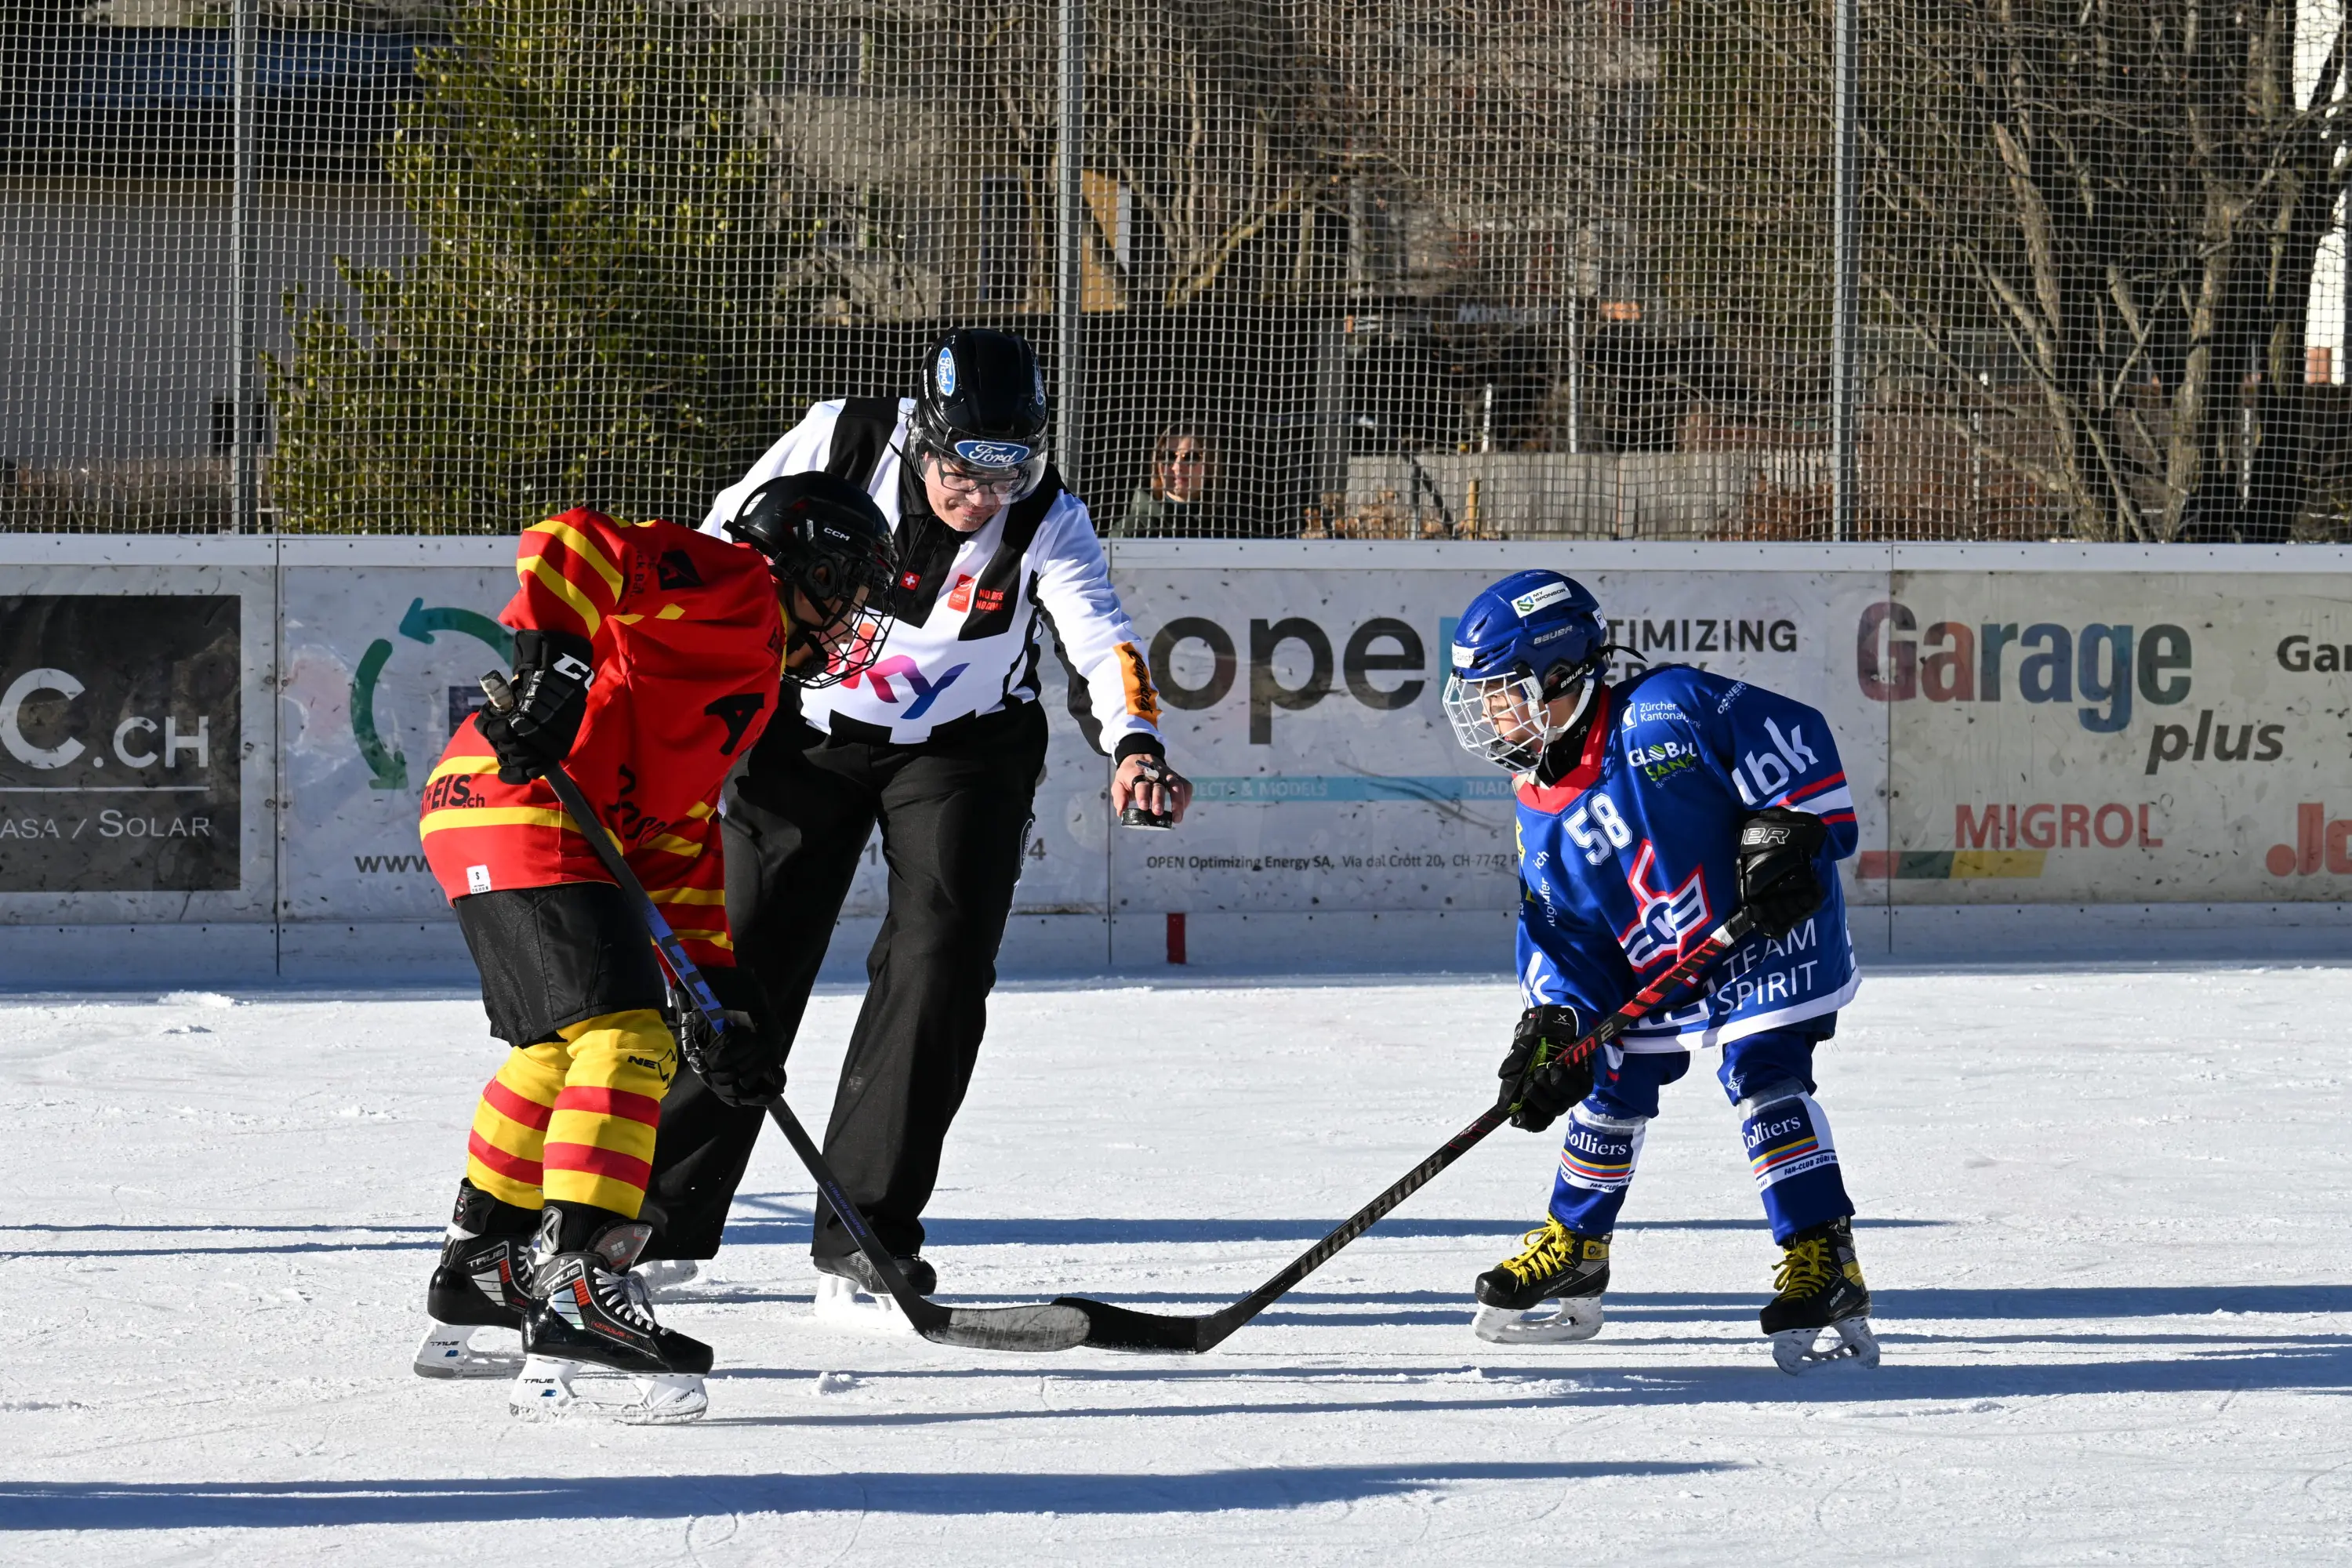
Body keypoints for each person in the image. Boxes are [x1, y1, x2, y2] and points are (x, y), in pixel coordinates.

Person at [636, 326, 1192, 1323]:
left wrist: (1135, 741)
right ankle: (657, 1220)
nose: (980, 496)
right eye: (962, 470)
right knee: (742, 956)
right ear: (921, 433)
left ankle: (866, 1239)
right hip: (802, 731)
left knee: (938, 962)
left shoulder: (1046, 518)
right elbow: (720, 541)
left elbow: (1101, 634)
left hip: (962, 750)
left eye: (1007, 471)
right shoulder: (839, 439)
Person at [408, 474, 898, 1421]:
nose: (852, 620)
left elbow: (670, 831)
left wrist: (721, 987)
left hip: (484, 806)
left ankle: (480, 1262)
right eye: (851, 592)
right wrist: (554, 658)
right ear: (814, 565)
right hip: (532, 799)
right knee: (629, 1037)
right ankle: (586, 1283)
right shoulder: (740, 585)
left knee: (557, 1049)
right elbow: (577, 540)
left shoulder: (751, 679)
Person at [1442, 568, 1878, 1375]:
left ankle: (1824, 1255)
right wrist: (1558, 1020)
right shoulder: (1536, 803)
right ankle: (1577, 1241)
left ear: (1563, 674)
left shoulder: (1666, 709)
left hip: (1765, 920)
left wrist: (1795, 832)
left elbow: (1798, 738)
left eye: (1505, 691)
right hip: (1667, 950)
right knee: (1604, 1076)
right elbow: (1565, 932)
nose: (1493, 713)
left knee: (1762, 1069)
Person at [1109, 426, 1219, 538]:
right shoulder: (1130, 532)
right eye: (1168, 457)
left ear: (1210, 464)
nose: (1177, 467)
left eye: (1191, 457)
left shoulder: (1228, 528)